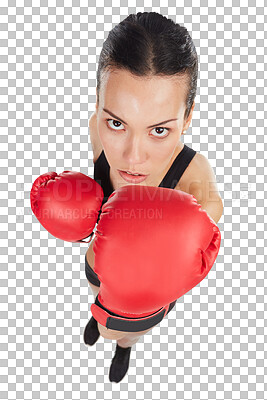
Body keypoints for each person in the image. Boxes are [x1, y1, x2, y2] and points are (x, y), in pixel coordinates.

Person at [83, 11, 223, 383]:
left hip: (146, 293)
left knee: (126, 332)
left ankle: (124, 348)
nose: (133, 156)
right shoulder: (95, 131)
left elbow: (211, 216)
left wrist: (142, 289)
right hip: (96, 264)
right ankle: (96, 320)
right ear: (98, 104)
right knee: (96, 297)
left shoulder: (194, 178)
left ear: (188, 117)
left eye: (159, 130)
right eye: (117, 122)